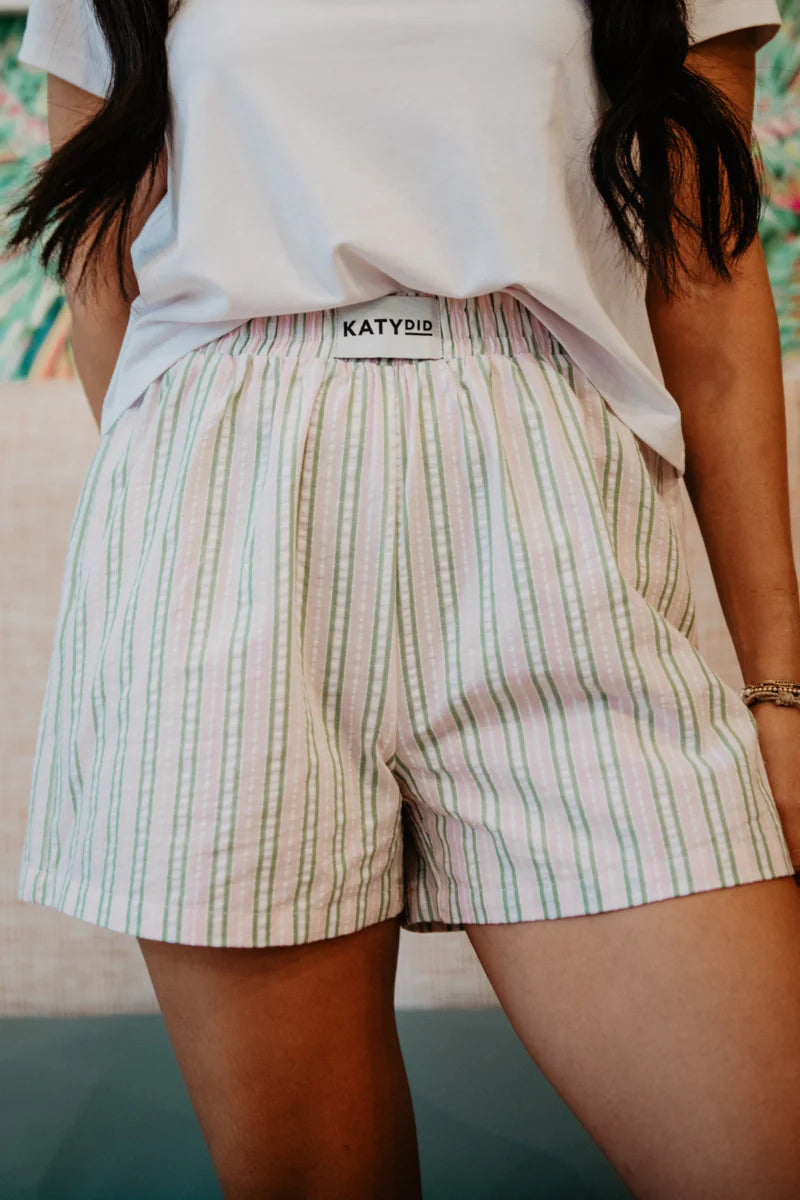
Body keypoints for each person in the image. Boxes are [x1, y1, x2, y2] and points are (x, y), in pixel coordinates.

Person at [7, 1, 800, 1196]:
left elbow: (708, 277)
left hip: (550, 496)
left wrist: (776, 683)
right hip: (226, 509)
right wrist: (193, 503)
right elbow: (103, 266)